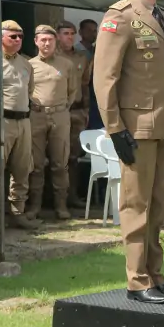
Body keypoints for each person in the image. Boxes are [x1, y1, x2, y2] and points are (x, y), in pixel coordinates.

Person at [93, 0, 164, 304]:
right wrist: (115, 128)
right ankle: (137, 279)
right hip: (136, 127)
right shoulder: (120, 17)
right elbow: (105, 77)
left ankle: (155, 274)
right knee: (136, 206)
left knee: (160, 205)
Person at [0, 21, 41, 232]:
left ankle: (18, 213)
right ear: (2, 38)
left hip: (23, 121)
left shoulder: (26, 64)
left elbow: (30, 90)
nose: (18, 40)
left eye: (20, 37)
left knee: (23, 169)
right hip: (0, 120)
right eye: (13, 37)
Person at [26, 25, 77, 220]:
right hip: (36, 115)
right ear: (36, 42)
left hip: (60, 116)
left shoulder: (66, 65)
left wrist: (62, 108)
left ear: (55, 42)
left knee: (60, 163)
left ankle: (61, 206)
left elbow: (73, 91)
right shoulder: (29, 65)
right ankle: (35, 206)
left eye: (50, 40)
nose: (47, 44)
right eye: (43, 40)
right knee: (36, 164)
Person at [57, 21, 93, 208]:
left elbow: (85, 84)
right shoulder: (52, 58)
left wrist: (86, 109)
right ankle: (54, 199)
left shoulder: (81, 57)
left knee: (74, 157)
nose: (69, 37)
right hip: (57, 111)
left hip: (77, 110)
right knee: (55, 157)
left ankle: (72, 196)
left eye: (71, 33)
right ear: (57, 36)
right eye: (65, 33)